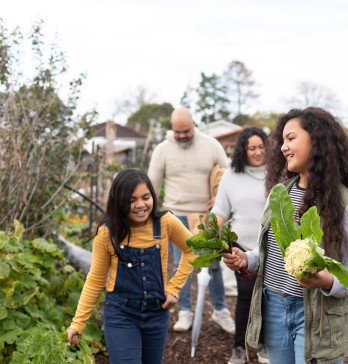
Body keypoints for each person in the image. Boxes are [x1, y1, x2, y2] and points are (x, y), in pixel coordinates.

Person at [223, 107, 348, 364]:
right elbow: (271, 255)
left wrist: (328, 281)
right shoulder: (278, 194)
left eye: (291, 138)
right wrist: (245, 259)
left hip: (316, 316)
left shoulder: (346, 203)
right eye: (282, 141)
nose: (283, 147)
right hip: (273, 308)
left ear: (316, 140)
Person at [66, 168, 197, 363]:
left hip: (156, 312)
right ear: (119, 201)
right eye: (131, 200)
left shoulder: (165, 222)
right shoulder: (107, 232)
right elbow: (95, 280)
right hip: (121, 314)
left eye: (146, 197)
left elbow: (192, 249)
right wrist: (78, 323)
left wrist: (174, 288)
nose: (140, 205)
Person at [148, 108, 235, 334]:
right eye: (177, 132)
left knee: (214, 265)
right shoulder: (162, 150)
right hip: (176, 215)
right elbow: (151, 186)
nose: (182, 136)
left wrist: (220, 197)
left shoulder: (212, 145)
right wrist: (149, 216)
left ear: (194, 124)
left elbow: (227, 176)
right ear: (172, 129)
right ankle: (184, 310)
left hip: (209, 215)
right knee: (182, 266)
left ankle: (220, 310)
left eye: (186, 131)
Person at [211, 127, 269, 364]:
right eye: (252, 148)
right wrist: (209, 232)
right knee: (246, 296)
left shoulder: (278, 173)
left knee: (268, 297)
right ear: (243, 150)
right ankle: (240, 348)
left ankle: (264, 345)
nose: (257, 152)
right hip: (240, 247)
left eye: (261, 147)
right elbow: (220, 210)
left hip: (271, 246)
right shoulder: (231, 176)